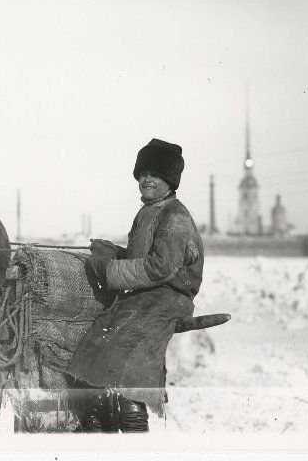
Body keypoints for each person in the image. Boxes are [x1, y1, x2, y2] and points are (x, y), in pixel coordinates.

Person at [65, 138, 204, 433]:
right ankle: (97, 425)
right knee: (92, 348)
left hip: (167, 299)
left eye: (155, 175)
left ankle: (132, 429)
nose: (147, 180)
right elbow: (144, 258)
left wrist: (110, 268)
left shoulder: (175, 216)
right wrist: (113, 252)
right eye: (143, 174)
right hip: (145, 296)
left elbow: (161, 267)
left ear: (170, 181)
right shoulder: (149, 212)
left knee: (126, 362)